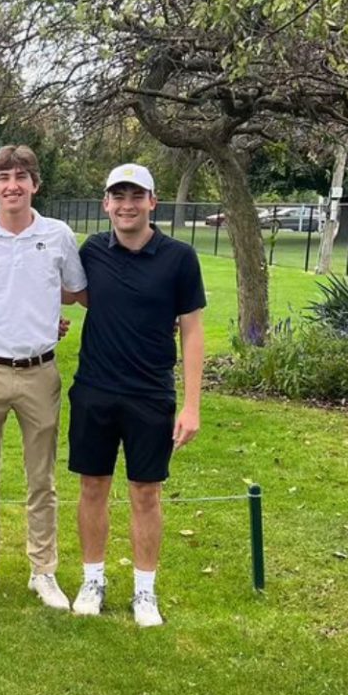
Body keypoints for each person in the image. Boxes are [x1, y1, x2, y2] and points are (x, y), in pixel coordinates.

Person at [69, 163, 206, 627]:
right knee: (92, 487)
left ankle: (144, 592)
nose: (126, 205)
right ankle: (93, 580)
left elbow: (191, 331)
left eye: (136, 196)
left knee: (145, 493)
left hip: (150, 394)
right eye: (117, 196)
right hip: (94, 390)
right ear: (106, 203)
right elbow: (70, 293)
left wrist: (191, 405)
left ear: (153, 202)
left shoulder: (180, 258)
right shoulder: (91, 251)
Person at [0, 144, 87, 609]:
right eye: (3, 177)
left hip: (39, 373)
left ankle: (43, 570)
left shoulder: (58, 235)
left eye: (21, 176)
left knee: (42, 480)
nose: (12, 185)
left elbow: (75, 291)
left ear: (35, 184)